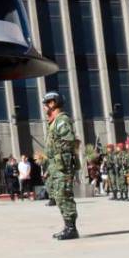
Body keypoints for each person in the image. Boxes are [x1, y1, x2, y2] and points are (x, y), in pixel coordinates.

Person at [43, 91, 80, 239]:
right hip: (55, 165)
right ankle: (68, 226)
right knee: (59, 196)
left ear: (53, 103)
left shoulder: (62, 120)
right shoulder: (53, 121)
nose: (45, 107)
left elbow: (69, 141)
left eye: (46, 104)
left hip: (62, 166)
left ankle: (71, 228)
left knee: (64, 195)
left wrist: (60, 158)